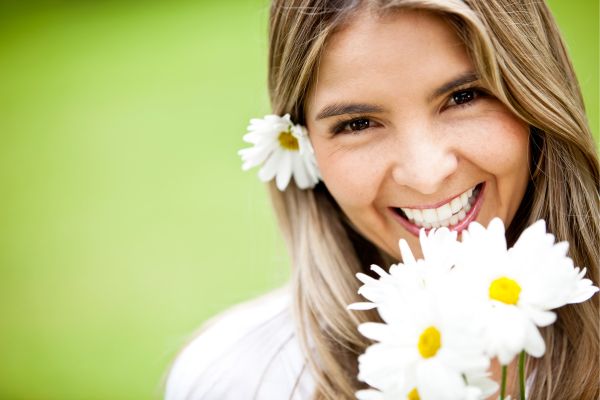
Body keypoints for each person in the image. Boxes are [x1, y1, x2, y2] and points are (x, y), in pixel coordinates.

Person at [165, 0, 599, 399]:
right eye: (358, 124)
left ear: (539, 100)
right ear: (304, 145)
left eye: (463, 97)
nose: (427, 176)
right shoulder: (240, 378)